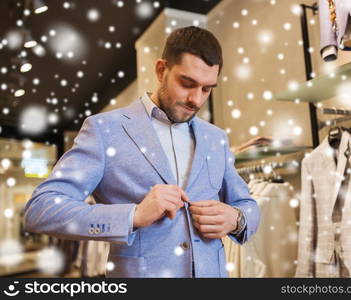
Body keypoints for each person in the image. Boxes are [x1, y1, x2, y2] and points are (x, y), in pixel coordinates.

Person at [23, 26, 260, 278]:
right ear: (161, 70)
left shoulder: (217, 139)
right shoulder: (104, 130)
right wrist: (132, 215)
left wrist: (236, 218)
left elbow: (247, 204)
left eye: (206, 88)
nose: (196, 100)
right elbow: (41, 209)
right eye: (187, 83)